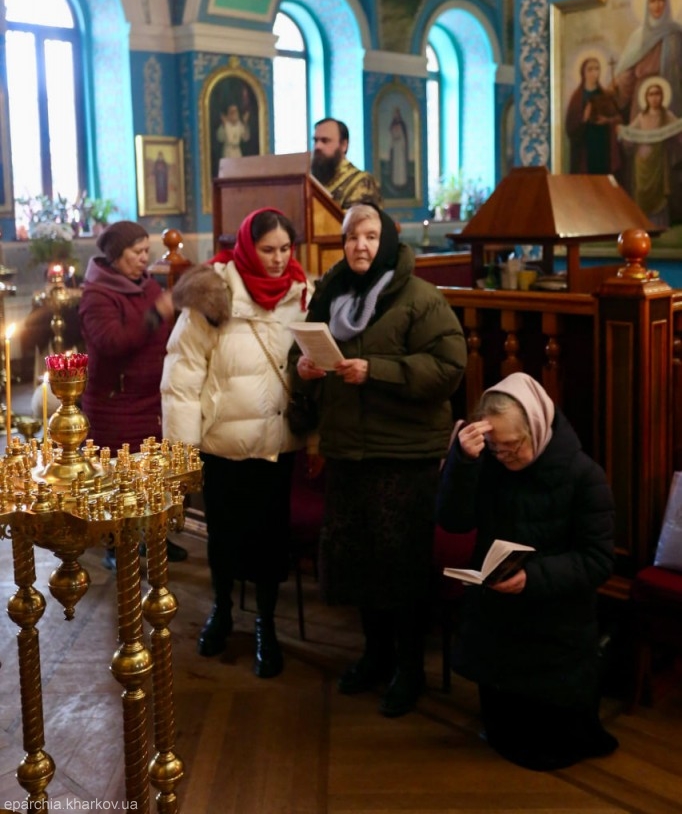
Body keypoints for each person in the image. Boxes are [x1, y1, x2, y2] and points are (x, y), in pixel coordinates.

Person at [291, 203, 466, 717]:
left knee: (401, 569)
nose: (360, 246)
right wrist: (303, 368)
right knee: (362, 565)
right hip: (349, 451)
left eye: (369, 236)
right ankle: (375, 655)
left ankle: (409, 670)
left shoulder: (419, 296)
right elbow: (300, 349)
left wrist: (377, 371)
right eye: (351, 237)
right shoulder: (331, 293)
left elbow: (448, 367)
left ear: (386, 240)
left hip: (403, 456)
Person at [436, 372, 618, 771]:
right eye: (495, 446)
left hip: (555, 617)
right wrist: (462, 463)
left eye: (512, 445)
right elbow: (453, 520)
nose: (504, 456)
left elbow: (598, 559)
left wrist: (533, 578)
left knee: (548, 739)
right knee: (504, 725)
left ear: (536, 427)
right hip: (498, 613)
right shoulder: (487, 463)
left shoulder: (584, 476)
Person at [161, 208, 312, 678]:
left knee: (270, 542)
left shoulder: (301, 293)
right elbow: (183, 376)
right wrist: (182, 451)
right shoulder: (214, 293)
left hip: (276, 444)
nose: (278, 259)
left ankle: (266, 624)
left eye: (285, 249)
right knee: (224, 537)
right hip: (223, 444)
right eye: (268, 250)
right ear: (248, 247)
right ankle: (222, 611)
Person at [78, 220, 188, 569]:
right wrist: (156, 315)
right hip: (116, 403)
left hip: (152, 399)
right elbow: (112, 343)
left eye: (146, 251)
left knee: (151, 473)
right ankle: (117, 546)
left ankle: (154, 538)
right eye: (137, 252)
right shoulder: (97, 295)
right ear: (116, 255)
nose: (144, 258)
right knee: (119, 478)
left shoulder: (148, 286)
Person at [612, 0, 682, 122]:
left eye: (661, 0)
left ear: (667, 2)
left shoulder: (676, 34)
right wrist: (615, 85)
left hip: (672, 95)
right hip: (642, 98)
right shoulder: (638, 37)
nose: (657, 5)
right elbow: (628, 74)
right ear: (647, 5)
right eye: (652, 1)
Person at [616, 76, 682, 226]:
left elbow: (678, 131)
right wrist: (622, 132)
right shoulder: (641, 117)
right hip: (642, 161)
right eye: (651, 94)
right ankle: (642, 223)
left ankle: (659, 224)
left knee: (658, 193)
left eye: (657, 94)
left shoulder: (667, 116)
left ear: (662, 96)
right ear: (646, 98)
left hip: (659, 161)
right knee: (641, 190)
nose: (654, 98)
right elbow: (629, 134)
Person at [565, 56, 623, 175]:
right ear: (583, 73)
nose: (594, 72)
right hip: (585, 147)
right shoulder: (577, 98)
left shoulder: (605, 95)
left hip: (603, 144)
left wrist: (607, 121)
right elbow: (570, 128)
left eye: (597, 69)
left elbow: (619, 119)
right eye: (590, 69)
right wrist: (583, 119)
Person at [311, 117, 382, 209]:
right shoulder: (313, 180)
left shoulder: (362, 182)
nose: (317, 146)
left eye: (325, 140)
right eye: (315, 140)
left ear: (344, 145)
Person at [388, 106, 409, 191]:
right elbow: (392, 134)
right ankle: (396, 182)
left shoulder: (402, 124)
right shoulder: (393, 124)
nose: (396, 115)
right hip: (395, 146)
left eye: (397, 114)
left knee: (401, 164)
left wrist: (403, 144)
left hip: (400, 146)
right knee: (396, 165)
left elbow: (403, 136)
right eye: (395, 114)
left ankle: (402, 182)